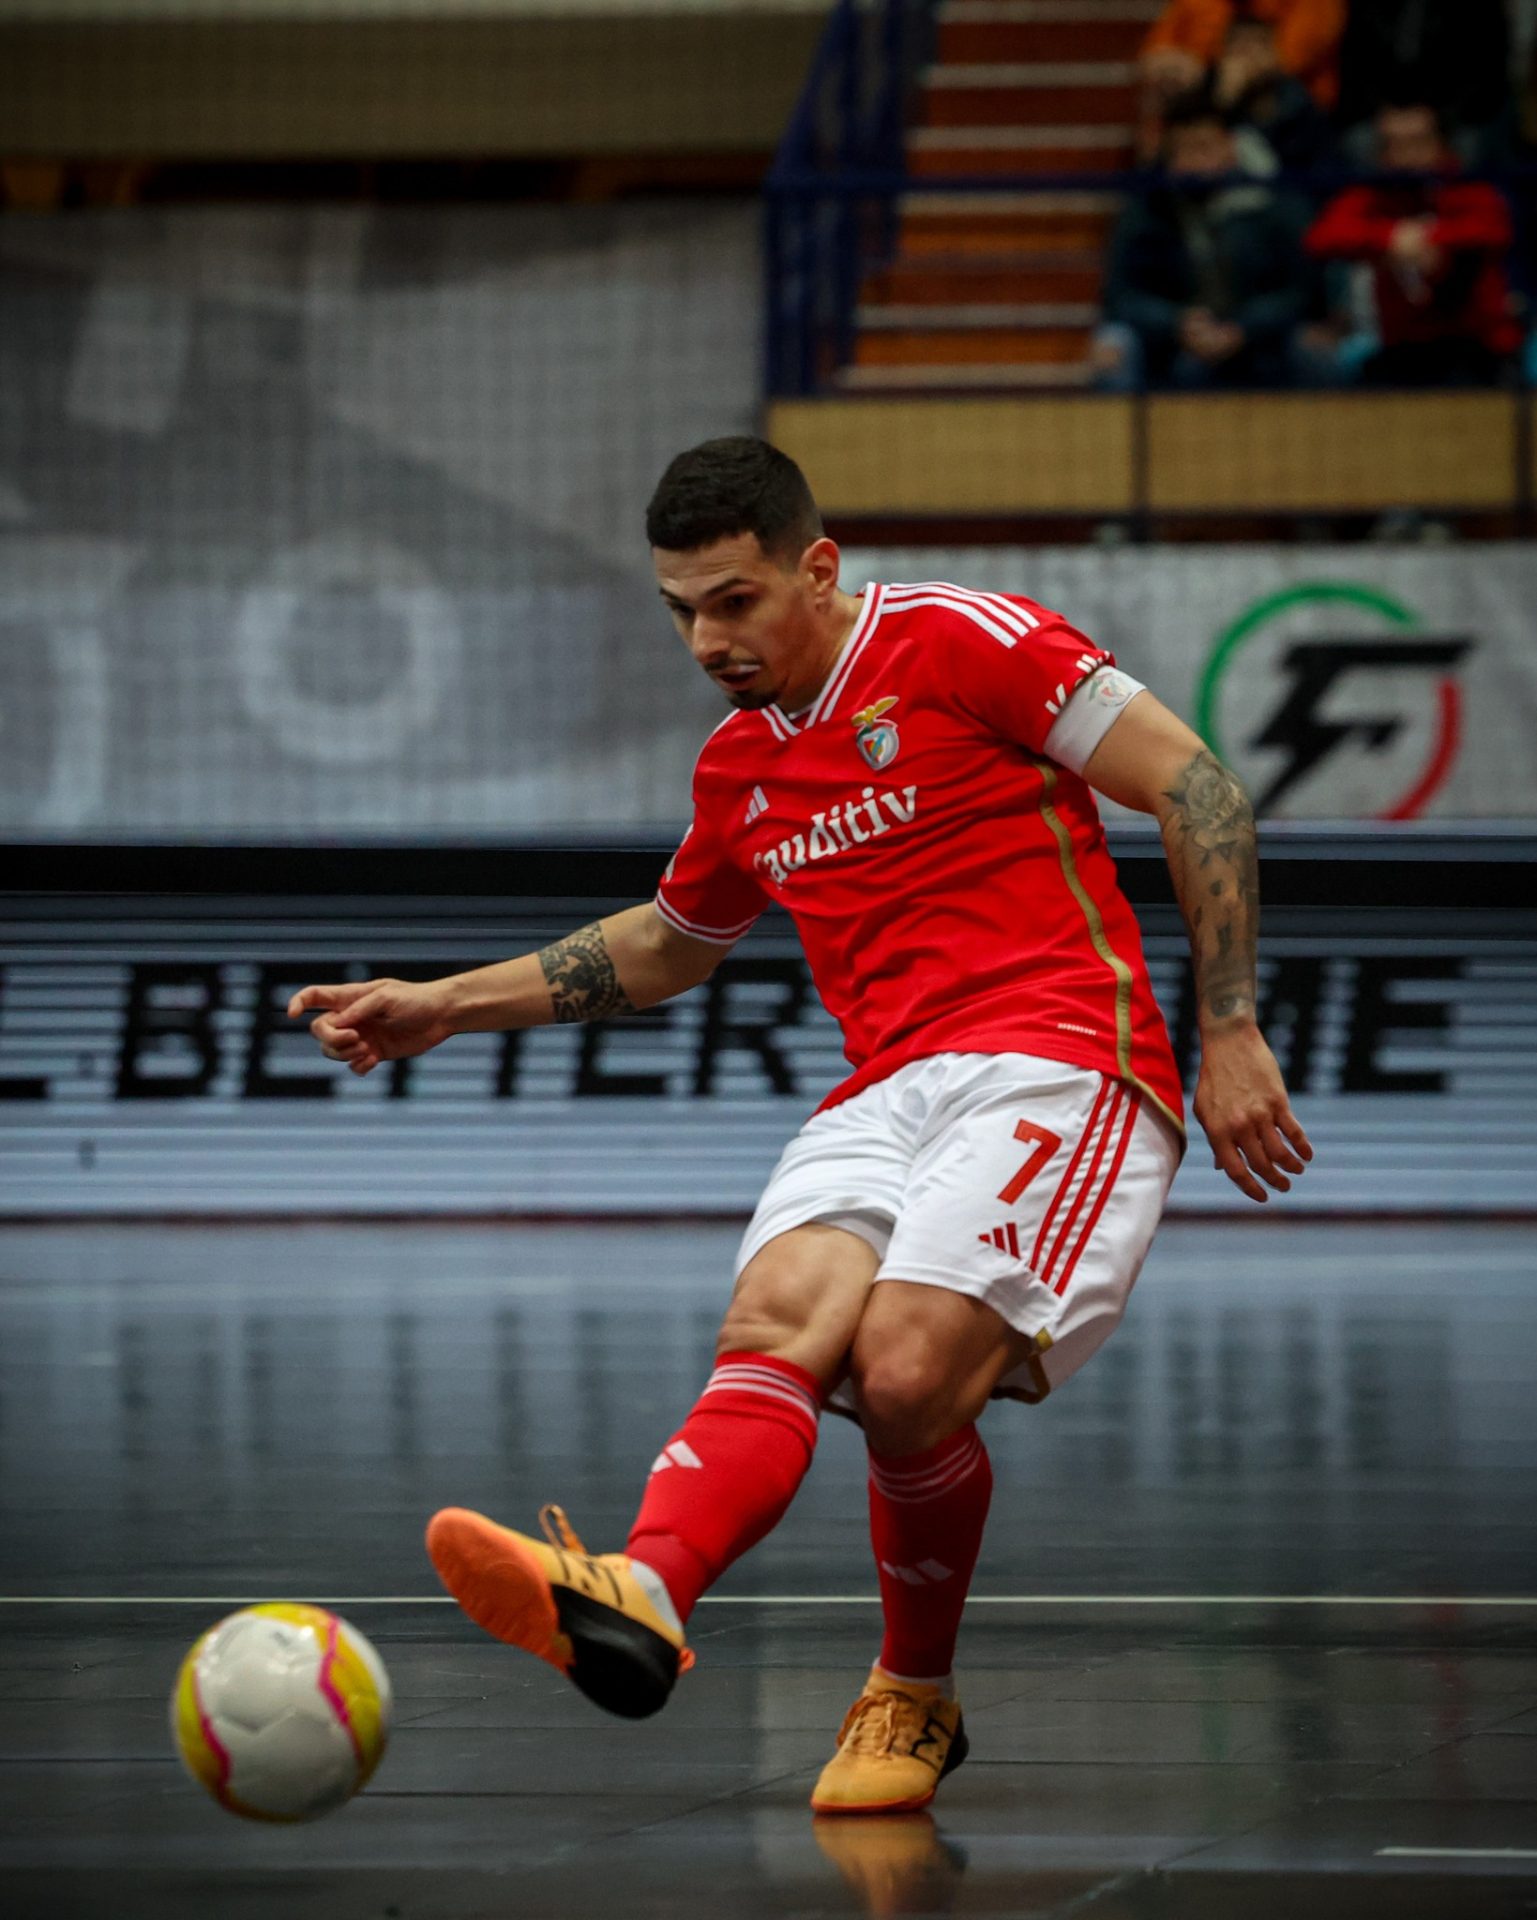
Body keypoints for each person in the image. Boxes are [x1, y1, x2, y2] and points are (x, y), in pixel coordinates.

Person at [289, 437, 1312, 1816]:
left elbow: (1196, 787)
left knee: (901, 1375)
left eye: (734, 600)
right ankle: (641, 1589)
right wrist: (444, 1006)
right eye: (679, 611)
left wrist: (1230, 1024)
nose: (707, 639)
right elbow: (665, 945)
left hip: (1059, 1057)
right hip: (883, 1091)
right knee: (776, 1319)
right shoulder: (738, 768)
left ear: (815, 570)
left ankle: (912, 1693)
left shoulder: (960, 640)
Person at [1094, 91, 1315, 391]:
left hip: (1260, 339)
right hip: (1173, 343)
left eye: (1204, 148)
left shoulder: (1272, 203)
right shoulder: (1146, 210)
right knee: (1112, 346)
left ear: (1230, 147)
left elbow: (1300, 292)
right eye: (1182, 151)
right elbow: (1120, 296)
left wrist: (1243, 328)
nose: (1194, 163)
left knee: (1312, 350)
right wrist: (1176, 323)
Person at [1307, 101, 1520, 387]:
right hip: (1404, 350)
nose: (1407, 156)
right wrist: (1390, 238)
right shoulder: (1377, 195)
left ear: (1442, 144)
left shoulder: (1468, 188)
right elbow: (1322, 237)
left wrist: (1429, 239)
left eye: (1418, 142)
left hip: (1476, 348)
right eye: (1395, 144)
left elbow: (1493, 229)